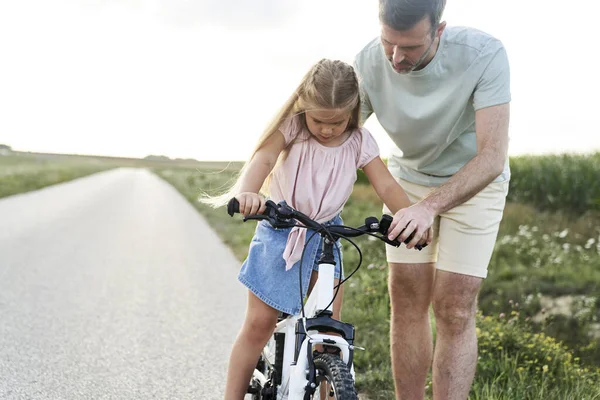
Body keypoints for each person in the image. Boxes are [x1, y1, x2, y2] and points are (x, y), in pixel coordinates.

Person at [201, 58, 431, 399]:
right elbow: (263, 160)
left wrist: (409, 217)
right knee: (259, 324)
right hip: (281, 229)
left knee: (328, 339)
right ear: (303, 107)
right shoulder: (292, 128)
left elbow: (385, 185)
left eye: (336, 122)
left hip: (326, 236)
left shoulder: (359, 142)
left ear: (352, 112)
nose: (327, 129)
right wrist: (249, 193)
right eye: (318, 120)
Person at [353, 0, 511, 398]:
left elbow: (492, 156)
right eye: (389, 43)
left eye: (410, 48)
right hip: (408, 184)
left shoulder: (484, 54)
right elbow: (336, 134)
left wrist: (430, 207)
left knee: (455, 307)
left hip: (473, 182)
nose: (396, 58)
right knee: (406, 297)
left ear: (438, 31)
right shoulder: (368, 61)